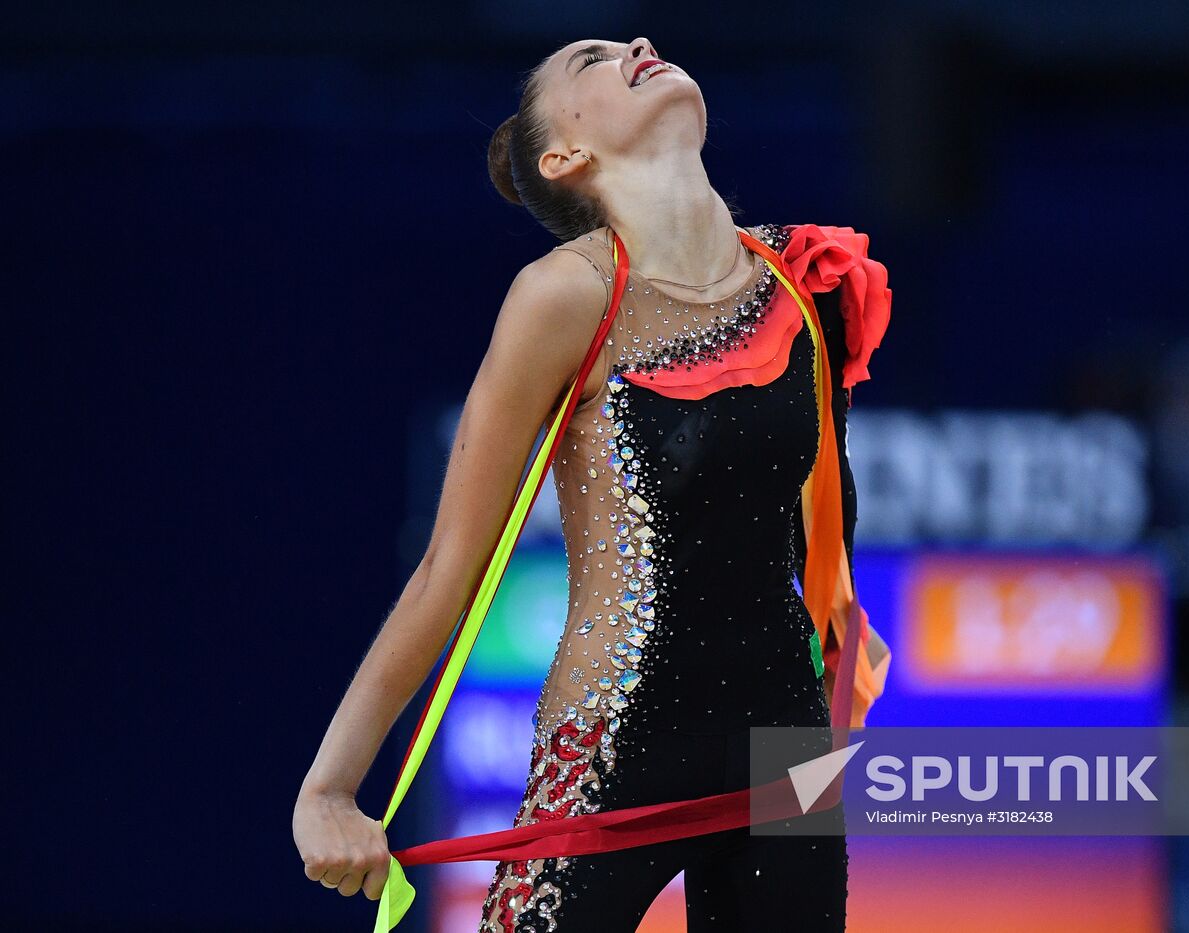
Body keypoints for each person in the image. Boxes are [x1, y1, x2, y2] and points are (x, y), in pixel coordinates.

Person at [292, 36, 891, 932]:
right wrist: (329, 788)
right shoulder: (564, 296)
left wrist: (840, 701)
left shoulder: (805, 282)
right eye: (594, 59)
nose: (640, 47)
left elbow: (828, 539)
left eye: (629, 44)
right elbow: (449, 570)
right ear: (564, 156)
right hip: (614, 746)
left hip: (787, 759)